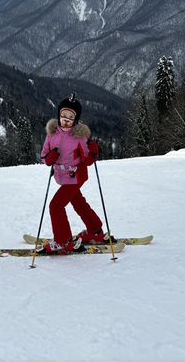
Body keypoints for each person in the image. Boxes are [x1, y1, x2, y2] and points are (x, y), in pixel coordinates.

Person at [37, 93, 106, 254]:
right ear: (59, 115)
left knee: (56, 205)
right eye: (63, 115)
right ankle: (95, 231)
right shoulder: (52, 134)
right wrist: (49, 158)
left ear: (75, 119)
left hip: (76, 177)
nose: (66, 119)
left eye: (70, 116)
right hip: (62, 177)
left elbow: (88, 160)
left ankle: (63, 240)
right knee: (78, 202)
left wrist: (94, 153)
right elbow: (43, 156)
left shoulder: (79, 137)